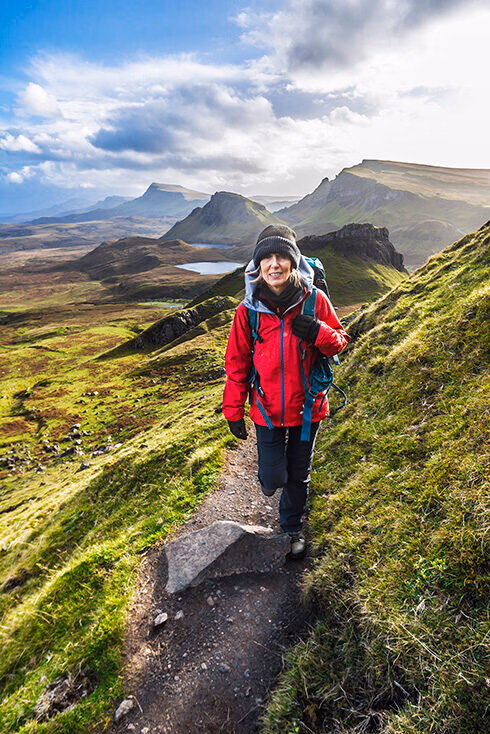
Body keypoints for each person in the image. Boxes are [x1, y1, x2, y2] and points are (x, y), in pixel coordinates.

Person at [222, 224, 350, 559]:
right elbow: (236, 363)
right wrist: (233, 411)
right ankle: (269, 477)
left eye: (282, 257)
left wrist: (318, 331)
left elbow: (339, 342)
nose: (274, 264)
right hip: (266, 411)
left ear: (293, 263)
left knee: (298, 473)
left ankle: (292, 530)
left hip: (308, 408)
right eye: (267, 258)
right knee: (272, 476)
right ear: (258, 266)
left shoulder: (314, 301)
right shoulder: (247, 311)